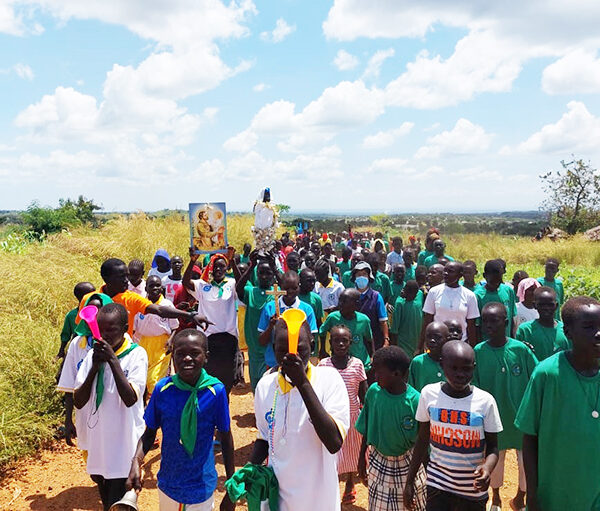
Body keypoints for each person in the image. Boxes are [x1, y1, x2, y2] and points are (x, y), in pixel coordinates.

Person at [126, 329, 235, 511]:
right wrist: (135, 462)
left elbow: (225, 436)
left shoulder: (215, 391)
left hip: (202, 484)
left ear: (206, 357)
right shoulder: (163, 389)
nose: (187, 359)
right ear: (172, 356)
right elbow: (149, 434)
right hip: (169, 483)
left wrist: (232, 483)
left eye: (194, 353)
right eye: (180, 354)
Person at [250, 318, 350, 511]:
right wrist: (246, 474)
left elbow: (334, 442)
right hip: (277, 499)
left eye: (299, 349)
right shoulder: (265, 386)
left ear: (312, 346)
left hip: (318, 500)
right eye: (283, 350)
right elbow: (264, 438)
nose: (291, 356)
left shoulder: (329, 380)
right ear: (273, 348)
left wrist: (303, 383)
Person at [515, 296, 600, 511]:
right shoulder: (547, 374)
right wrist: (532, 497)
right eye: (589, 327)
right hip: (556, 495)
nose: (598, 333)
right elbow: (529, 438)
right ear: (568, 332)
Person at [404, 341, 502, 511]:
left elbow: (493, 448)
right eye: (454, 368)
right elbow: (422, 440)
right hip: (437, 486)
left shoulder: (486, 402)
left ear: (474, 367)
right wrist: (410, 480)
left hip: (472, 491)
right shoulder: (429, 394)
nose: (460, 374)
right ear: (442, 365)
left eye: (466, 369)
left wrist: (487, 468)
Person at [73, 303, 148, 511]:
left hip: (124, 448)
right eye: (100, 330)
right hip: (100, 446)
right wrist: (95, 367)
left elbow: (130, 398)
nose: (104, 335)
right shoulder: (91, 356)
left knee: (120, 503)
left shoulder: (137, 354)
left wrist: (113, 360)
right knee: (107, 500)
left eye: (111, 330)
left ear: (125, 328)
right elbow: (79, 400)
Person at [473, 303, 538, 511]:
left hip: (521, 418)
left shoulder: (520, 350)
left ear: (507, 322)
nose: (489, 325)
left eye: (495, 320)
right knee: (495, 459)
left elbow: (536, 378)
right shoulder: (478, 352)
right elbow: (474, 386)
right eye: (486, 321)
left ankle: (520, 496)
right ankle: (496, 496)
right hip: (493, 419)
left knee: (525, 463)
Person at [356, 346, 427, 511]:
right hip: (379, 461)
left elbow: (422, 444)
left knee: (411, 504)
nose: (374, 376)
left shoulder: (415, 401)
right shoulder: (374, 393)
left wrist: (411, 481)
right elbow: (367, 427)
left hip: (408, 464)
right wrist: (361, 458)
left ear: (396, 374)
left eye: (378, 372)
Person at [88, 258, 210, 339]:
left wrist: (191, 316)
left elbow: (160, 310)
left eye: (127, 275)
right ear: (106, 278)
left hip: (122, 355)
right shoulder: (91, 300)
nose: (127, 280)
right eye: (121, 277)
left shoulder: (132, 299)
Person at [319, 325, 367, 505]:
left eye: (344, 341)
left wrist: (365, 415)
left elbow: (363, 393)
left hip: (353, 417)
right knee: (332, 453)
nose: (340, 344)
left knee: (352, 453)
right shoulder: (324, 365)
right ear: (330, 343)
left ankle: (349, 482)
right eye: (336, 341)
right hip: (330, 417)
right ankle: (331, 488)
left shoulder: (357, 365)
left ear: (350, 343)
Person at [57, 293, 112, 447]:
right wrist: (68, 420)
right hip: (85, 414)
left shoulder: (121, 343)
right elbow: (69, 384)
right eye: (91, 310)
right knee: (91, 461)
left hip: (112, 416)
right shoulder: (77, 344)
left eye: (99, 311)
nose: (94, 316)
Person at [183, 249, 239, 395]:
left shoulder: (232, 284)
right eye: (216, 266)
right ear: (211, 268)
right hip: (208, 339)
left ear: (227, 269)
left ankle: (223, 410)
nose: (219, 269)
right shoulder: (202, 285)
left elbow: (242, 285)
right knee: (207, 379)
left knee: (226, 381)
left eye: (222, 266)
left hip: (228, 339)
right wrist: (192, 261)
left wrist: (232, 260)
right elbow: (186, 283)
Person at [258, 271, 318, 370]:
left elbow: (312, 338)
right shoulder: (270, 307)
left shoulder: (306, 309)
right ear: (280, 286)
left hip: (300, 362)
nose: (290, 292)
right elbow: (262, 341)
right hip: (274, 362)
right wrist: (271, 325)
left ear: (299, 287)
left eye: (294, 288)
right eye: (286, 288)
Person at [133, 275, 178, 395]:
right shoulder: (140, 303)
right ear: (146, 288)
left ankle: (157, 407)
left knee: (155, 380)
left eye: (158, 285)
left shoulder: (167, 305)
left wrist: (170, 340)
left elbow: (175, 327)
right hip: (143, 344)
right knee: (142, 378)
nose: (155, 288)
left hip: (161, 346)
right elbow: (134, 327)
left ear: (162, 288)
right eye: (151, 286)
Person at [421, 261, 479, 348]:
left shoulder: (469, 295)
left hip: (460, 344)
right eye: (445, 271)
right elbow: (427, 320)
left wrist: (472, 349)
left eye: (450, 271)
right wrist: (420, 346)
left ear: (460, 275)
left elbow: (471, 326)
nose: (446, 274)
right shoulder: (434, 292)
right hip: (437, 344)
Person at [320, 288, 374, 370]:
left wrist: (372, 356)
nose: (340, 304)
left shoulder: (364, 320)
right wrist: (323, 350)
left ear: (356, 304)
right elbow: (322, 333)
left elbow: (369, 339)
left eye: (344, 301)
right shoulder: (333, 318)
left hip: (361, 364)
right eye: (340, 301)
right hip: (339, 364)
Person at [515, 287, 571, 361]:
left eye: (550, 305)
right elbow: (518, 357)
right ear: (534, 305)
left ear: (556, 306)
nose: (546, 308)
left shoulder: (565, 330)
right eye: (542, 305)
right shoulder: (525, 330)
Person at [474, 259, 517, 339]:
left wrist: (513, 338)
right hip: (487, 343)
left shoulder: (508, 291)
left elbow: (512, 318)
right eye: (493, 282)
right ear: (484, 276)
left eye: (499, 281)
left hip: (506, 341)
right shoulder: (478, 296)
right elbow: (477, 325)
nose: (496, 284)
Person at [352, 261, 390, 350]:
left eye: (364, 274)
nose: (361, 277)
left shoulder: (376, 297)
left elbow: (383, 321)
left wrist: (386, 340)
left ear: (369, 277)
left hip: (374, 340)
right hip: (353, 341)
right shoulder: (350, 295)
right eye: (358, 274)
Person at [57, 281, 96, 360]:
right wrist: (61, 351)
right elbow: (66, 334)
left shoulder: (98, 311)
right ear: (83, 297)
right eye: (92, 294)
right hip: (77, 348)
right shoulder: (71, 315)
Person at [408, 322, 448, 391]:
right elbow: (411, 389)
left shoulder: (452, 362)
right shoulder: (418, 362)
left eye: (437, 337)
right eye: (429, 337)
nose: (432, 340)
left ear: (447, 339)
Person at [390, 280, 423, 358]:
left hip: (405, 342)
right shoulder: (419, 299)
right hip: (412, 342)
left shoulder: (399, 303)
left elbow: (394, 330)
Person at [298, 268, 325, 357]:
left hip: (312, 341)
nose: (312, 284)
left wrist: (323, 347)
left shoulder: (316, 299)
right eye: (309, 281)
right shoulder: (294, 297)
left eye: (314, 281)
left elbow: (319, 323)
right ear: (300, 280)